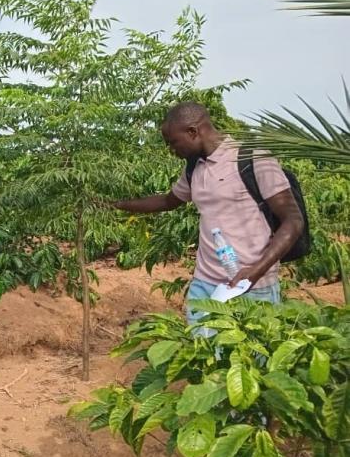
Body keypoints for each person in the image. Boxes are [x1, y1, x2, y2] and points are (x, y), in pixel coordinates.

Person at [113, 102, 304, 324]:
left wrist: (255, 271)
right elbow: (168, 201)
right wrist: (117, 204)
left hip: (252, 286)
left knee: (250, 357)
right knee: (201, 353)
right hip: (204, 285)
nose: (171, 151)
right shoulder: (194, 168)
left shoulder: (253, 159)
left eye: (173, 143)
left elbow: (293, 221)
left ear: (193, 132)